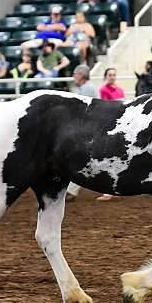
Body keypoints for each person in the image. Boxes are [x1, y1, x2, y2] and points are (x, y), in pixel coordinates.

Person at [66, 64, 99, 201]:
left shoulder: (87, 88)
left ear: (81, 75)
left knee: (80, 158)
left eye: (75, 74)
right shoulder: (86, 88)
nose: (74, 76)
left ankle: (72, 190)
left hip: (89, 128)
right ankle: (71, 190)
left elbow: (82, 110)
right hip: (90, 127)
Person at [97, 67, 125, 201]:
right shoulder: (103, 90)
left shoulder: (120, 90)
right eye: (110, 75)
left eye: (114, 74)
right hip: (108, 124)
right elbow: (106, 107)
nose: (112, 77)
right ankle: (108, 190)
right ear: (106, 76)